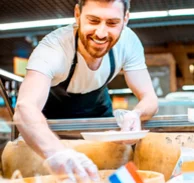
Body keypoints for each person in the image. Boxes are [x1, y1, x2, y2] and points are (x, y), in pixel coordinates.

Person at [13, 0, 158, 182]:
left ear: (125, 18)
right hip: (49, 129)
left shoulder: (129, 43)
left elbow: (150, 98)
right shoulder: (53, 48)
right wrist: (57, 153)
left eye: (112, 23)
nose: (101, 33)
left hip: (98, 117)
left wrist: (136, 114)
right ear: (77, 14)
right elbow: (24, 108)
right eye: (93, 20)